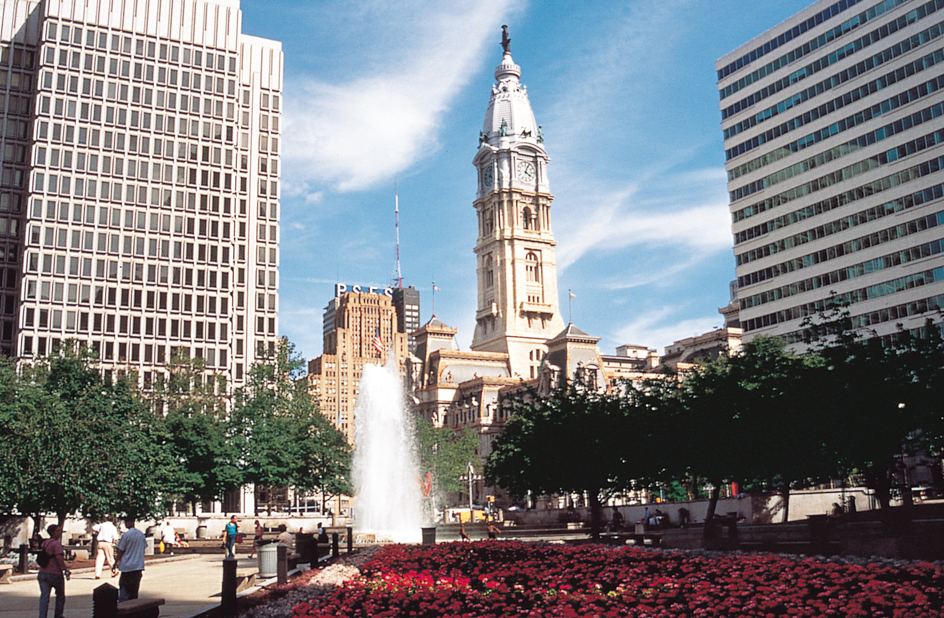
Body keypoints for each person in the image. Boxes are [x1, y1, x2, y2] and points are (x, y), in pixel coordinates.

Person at [38, 524, 70, 618]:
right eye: (57, 531)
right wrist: (65, 569)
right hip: (55, 573)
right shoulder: (56, 544)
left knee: (44, 596)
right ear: (52, 532)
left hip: (43, 572)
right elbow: (59, 558)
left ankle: (42, 616)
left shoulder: (44, 543)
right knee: (60, 596)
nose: (59, 533)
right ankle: (58, 615)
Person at [113, 518, 146, 602]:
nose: (125, 524)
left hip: (127, 566)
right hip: (138, 566)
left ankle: (123, 606)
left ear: (132, 522)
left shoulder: (126, 535)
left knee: (124, 588)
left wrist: (115, 562)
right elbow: (144, 547)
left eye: (127, 522)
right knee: (134, 590)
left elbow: (120, 550)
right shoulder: (141, 535)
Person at [92, 515, 120, 579]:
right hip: (108, 542)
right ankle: (114, 571)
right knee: (110, 558)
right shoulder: (113, 527)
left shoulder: (102, 525)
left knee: (99, 559)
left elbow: (93, 528)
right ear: (113, 520)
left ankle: (97, 574)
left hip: (100, 542)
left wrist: (98, 533)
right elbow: (115, 538)